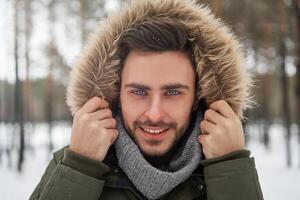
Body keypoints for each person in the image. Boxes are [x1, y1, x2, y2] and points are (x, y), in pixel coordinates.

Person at [30, 0, 264, 199]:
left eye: (173, 93)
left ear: (196, 96)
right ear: (117, 93)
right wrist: (81, 168)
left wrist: (230, 169)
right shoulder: (76, 161)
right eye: (139, 92)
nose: (154, 114)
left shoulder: (225, 164)